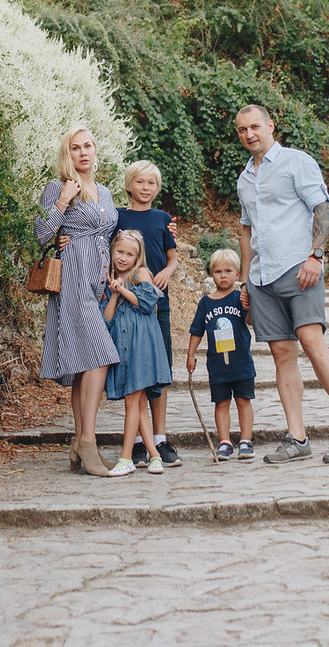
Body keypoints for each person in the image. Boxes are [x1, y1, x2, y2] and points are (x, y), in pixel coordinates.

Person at [233, 103, 329, 465]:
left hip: (298, 268)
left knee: (311, 342)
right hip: (261, 277)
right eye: (242, 130)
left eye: (255, 127)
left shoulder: (296, 161)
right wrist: (245, 281)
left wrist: (315, 256)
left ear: (270, 126)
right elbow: (247, 231)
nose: (249, 135)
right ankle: (297, 437)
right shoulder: (244, 178)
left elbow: (322, 207)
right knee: (281, 354)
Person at [35, 125, 121, 477]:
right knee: (100, 357)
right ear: (66, 154)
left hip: (99, 283)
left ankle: (78, 443)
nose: (83, 152)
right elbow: (42, 235)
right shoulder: (58, 187)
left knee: (87, 364)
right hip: (72, 279)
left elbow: (113, 231)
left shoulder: (105, 192)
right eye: (75, 148)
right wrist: (62, 203)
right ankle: (88, 441)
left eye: (88, 146)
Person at [116, 161, 182, 468]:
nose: (145, 188)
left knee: (158, 370)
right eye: (140, 182)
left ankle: (160, 438)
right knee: (134, 373)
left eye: (151, 183)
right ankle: (139, 442)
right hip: (126, 309)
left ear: (158, 187)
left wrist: (168, 270)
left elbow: (172, 256)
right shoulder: (118, 216)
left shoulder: (162, 219)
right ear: (129, 185)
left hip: (157, 304)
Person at [99, 230, 171, 477]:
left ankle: (126, 457)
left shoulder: (139, 274)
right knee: (138, 402)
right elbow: (105, 320)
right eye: (119, 252)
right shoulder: (109, 280)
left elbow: (148, 302)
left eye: (130, 254)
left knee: (133, 399)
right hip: (124, 346)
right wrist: (115, 292)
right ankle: (154, 455)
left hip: (142, 345)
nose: (123, 258)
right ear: (112, 251)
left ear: (138, 257)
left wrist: (125, 290)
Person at [186, 248, 257, 461]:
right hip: (217, 364)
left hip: (241, 361)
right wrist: (190, 354)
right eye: (218, 271)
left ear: (237, 274)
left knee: (244, 400)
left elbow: (251, 321)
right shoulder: (206, 303)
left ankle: (246, 440)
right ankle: (225, 441)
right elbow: (196, 329)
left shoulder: (239, 297)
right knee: (222, 402)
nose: (223, 275)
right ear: (211, 274)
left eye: (228, 271)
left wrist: (250, 306)